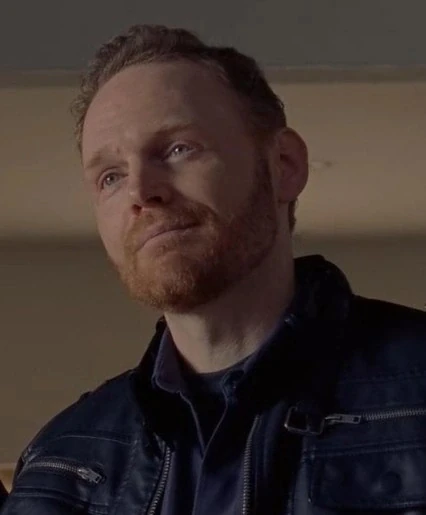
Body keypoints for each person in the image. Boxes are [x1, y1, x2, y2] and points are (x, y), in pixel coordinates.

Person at [2, 24, 426, 515]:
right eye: (110, 177)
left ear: (284, 164)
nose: (140, 192)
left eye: (177, 149)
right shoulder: (57, 463)